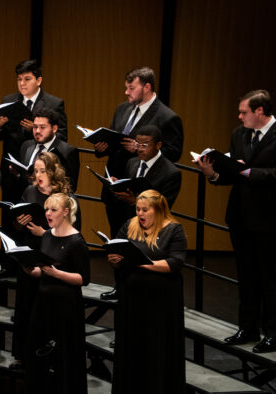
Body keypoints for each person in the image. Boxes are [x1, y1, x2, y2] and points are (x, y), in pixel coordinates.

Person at [195, 90, 276, 353]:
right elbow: (233, 174)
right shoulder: (239, 134)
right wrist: (213, 173)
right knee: (245, 274)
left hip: (268, 218)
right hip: (240, 216)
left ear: (260, 111)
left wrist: (246, 171)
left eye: (244, 112)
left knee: (268, 277)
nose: (239, 116)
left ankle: (273, 335)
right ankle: (248, 327)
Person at [96, 67, 184, 300]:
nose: (126, 92)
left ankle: (134, 288)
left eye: (131, 87)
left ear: (147, 87)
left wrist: (139, 149)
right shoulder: (122, 109)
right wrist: (102, 146)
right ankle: (120, 286)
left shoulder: (167, 117)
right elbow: (116, 141)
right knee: (118, 239)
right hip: (117, 187)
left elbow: (174, 152)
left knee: (139, 244)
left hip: (146, 191)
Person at [107, 190, 187, 393]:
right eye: (137, 209)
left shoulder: (174, 229)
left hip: (161, 303)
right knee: (132, 349)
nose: (140, 214)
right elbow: (117, 251)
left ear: (158, 210)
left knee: (156, 350)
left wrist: (142, 264)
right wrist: (115, 260)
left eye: (145, 210)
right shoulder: (130, 225)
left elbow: (175, 262)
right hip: (133, 299)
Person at [9, 151, 78, 370]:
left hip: (53, 257)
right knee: (25, 306)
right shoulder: (29, 191)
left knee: (47, 310)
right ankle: (22, 355)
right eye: (35, 171)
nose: (38, 175)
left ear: (53, 171)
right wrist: (19, 222)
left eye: (43, 171)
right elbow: (17, 226)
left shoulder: (66, 197)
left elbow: (75, 233)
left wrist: (44, 233)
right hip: (30, 253)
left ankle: (49, 357)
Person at [100, 124, 181, 300]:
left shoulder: (171, 172)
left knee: (139, 261)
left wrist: (134, 201)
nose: (139, 149)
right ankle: (119, 287)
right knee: (120, 253)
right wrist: (118, 184)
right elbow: (131, 187)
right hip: (129, 219)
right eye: (137, 144)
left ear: (158, 145)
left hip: (153, 229)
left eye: (145, 145)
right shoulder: (132, 162)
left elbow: (164, 205)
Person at [24, 193, 89, 394]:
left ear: (66, 212)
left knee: (62, 356)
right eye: (46, 209)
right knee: (41, 354)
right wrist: (32, 270)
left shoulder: (77, 241)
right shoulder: (47, 235)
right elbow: (42, 270)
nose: (48, 214)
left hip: (65, 307)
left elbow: (83, 279)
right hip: (44, 303)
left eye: (53, 209)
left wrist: (56, 273)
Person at [0, 59, 68, 221]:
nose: (22, 84)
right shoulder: (8, 101)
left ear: (38, 80)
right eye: (19, 79)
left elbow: (61, 137)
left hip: (39, 174)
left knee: (35, 220)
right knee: (9, 219)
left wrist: (36, 130)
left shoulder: (54, 103)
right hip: (11, 172)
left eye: (27, 79)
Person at [17, 109, 79, 193]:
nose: (37, 131)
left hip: (51, 202)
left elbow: (71, 186)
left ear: (54, 129)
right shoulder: (26, 145)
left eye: (42, 127)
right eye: (35, 127)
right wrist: (17, 173)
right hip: (27, 198)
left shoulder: (67, 151)